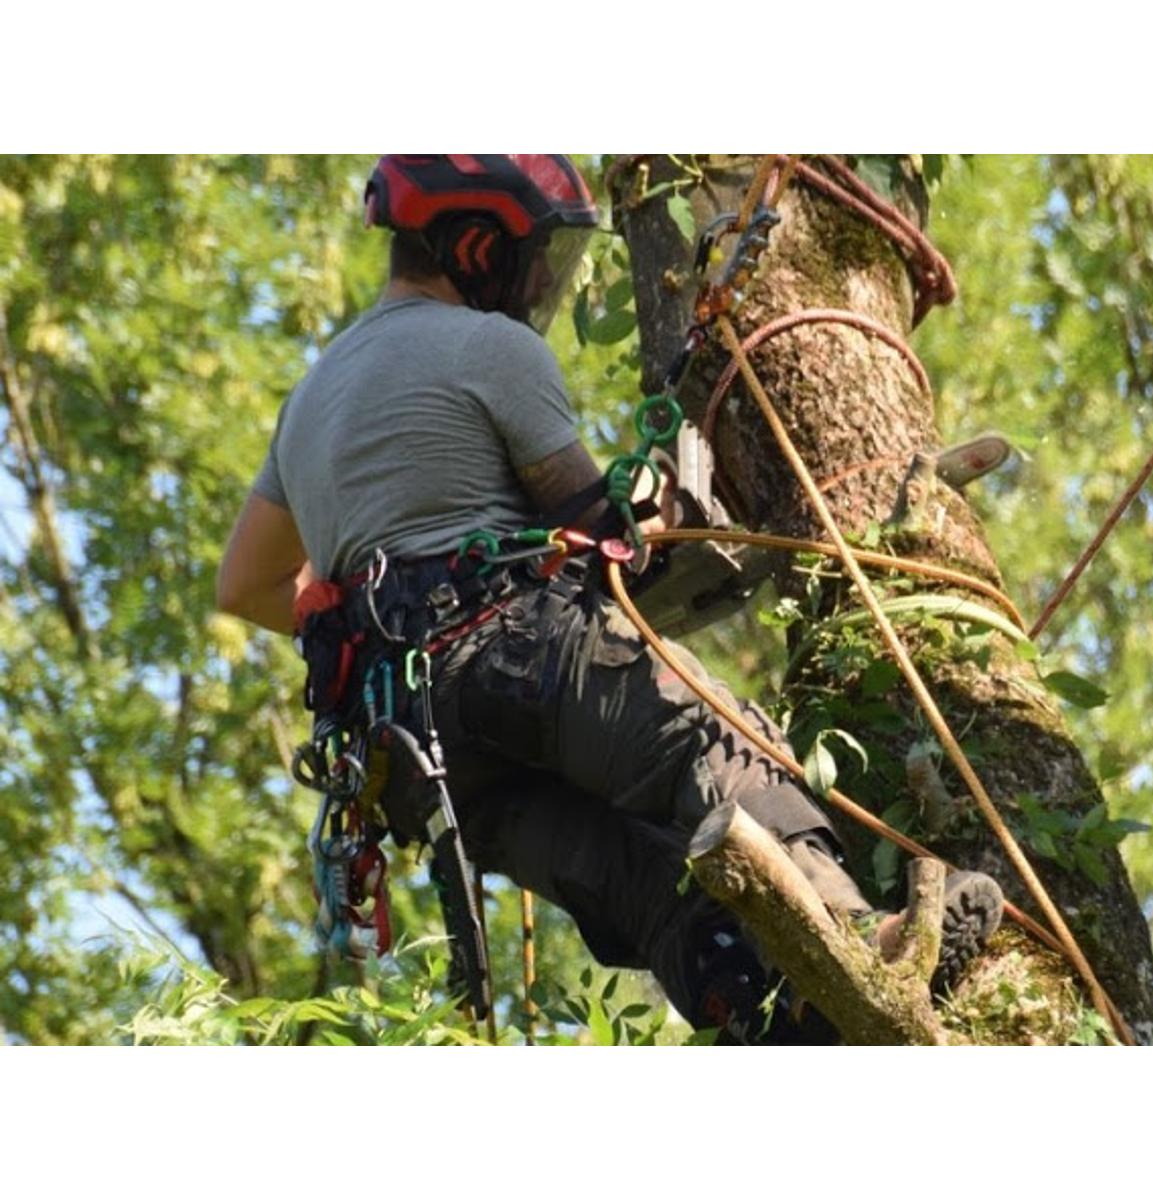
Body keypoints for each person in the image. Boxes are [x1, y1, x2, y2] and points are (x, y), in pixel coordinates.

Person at [217, 154, 1002, 1043]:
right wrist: (656, 514)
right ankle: (866, 941)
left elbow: (243, 584)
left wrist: (379, 616)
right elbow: (596, 527)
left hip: (410, 747)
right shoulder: (489, 347)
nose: (543, 282)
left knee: (643, 878)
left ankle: (777, 1022)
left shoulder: (311, 397)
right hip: (514, 651)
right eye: (536, 257)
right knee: (720, 748)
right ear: (477, 247)